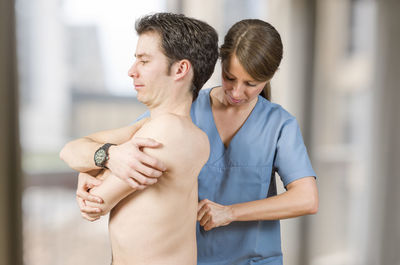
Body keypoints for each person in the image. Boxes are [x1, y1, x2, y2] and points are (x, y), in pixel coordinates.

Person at [64, 18, 318, 265]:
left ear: (269, 77)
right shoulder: (183, 111)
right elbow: (104, 149)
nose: (237, 92)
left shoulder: (278, 124)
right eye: (230, 77)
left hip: (252, 259)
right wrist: (99, 161)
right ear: (221, 65)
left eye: (251, 84)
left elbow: (306, 199)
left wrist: (231, 213)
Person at [60, 13, 219, 265]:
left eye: (144, 61)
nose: (131, 71)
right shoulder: (149, 126)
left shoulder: (169, 130)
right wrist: (108, 157)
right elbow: (69, 150)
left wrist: (93, 167)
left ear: (180, 69)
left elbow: (95, 203)